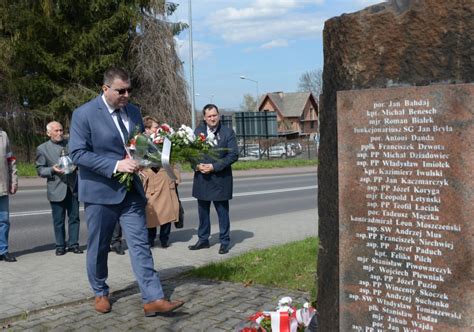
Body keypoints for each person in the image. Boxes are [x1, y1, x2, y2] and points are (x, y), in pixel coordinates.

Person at [69, 66, 184, 315]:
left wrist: (156, 155)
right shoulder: (84, 114)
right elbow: (77, 153)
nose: (126, 95)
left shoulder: (133, 112)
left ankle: (153, 298)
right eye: (121, 91)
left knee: (140, 244)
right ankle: (100, 291)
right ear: (105, 89)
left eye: (129, 90)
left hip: (131, 192)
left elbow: (138, 146)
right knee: (99, 246)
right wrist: (115, 165)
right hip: (100, 192)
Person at [189, 104, 239, 254]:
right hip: (202, 179)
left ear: (218, 115)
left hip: (220, 179)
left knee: (222, 212)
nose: (212, 118)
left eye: (214, 115)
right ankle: (203, 240)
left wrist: (214, 166)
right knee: (202, 212)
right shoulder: (197, 132)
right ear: (204, 117)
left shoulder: (227, 132)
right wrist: (197, 166)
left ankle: (224, 241)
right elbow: (190, 153)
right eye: (209, 116)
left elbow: (233, 155)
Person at [36, 121, 82, 256]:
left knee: (75, 218)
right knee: (58, 220)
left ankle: (73, 244)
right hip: (56, 189)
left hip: (72, 187)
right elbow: (40, 170)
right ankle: (60, 246)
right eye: (56, 131)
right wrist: (52, 169)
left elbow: (79, 159)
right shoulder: (42, 148)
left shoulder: (70, 145)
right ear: (48, 133)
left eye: (61, 130)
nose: (59, 133)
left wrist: (77, 166)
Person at [141, 116, 181, 249]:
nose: (157, 130)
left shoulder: (165, 141)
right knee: (151, 213)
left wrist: (176, 176)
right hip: (151, 180)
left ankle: (165, 238)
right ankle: (150, 239)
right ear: (147, 129)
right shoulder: (140, 141)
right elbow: (136, 160)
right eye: (155, 127)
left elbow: (172, 159)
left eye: (158, 127)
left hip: (165, 179)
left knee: (167, 211)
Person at [0, 129, 18, 262]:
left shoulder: (3, 135)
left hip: (2, 186)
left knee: (4, 221)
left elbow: (10, 159)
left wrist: (13, 180)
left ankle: (3, 250)